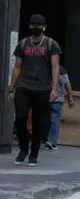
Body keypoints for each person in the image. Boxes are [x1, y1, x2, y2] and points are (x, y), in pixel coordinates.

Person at [7, 14, 62, 166]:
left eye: (38, 25)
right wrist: (11, 89)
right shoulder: (23, 44)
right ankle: (23, 148)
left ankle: (34, 153)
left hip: (43, 88)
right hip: (24, 86)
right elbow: (17, 67)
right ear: (29, 26)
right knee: (20, 118)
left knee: (39, 122)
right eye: (32, 24)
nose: (35, 27)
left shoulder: (51, 44)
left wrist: (54, 88)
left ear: (44, 27)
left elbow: (55, 66)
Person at [44, 65, 74, 150]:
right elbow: (67, 84)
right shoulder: (61, 69)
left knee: (45, 119)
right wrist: (70, 98)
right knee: (55, 120)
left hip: (45, 97)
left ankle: (46, 139)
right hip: (57, 98)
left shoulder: (44, 67)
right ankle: (51, 141)